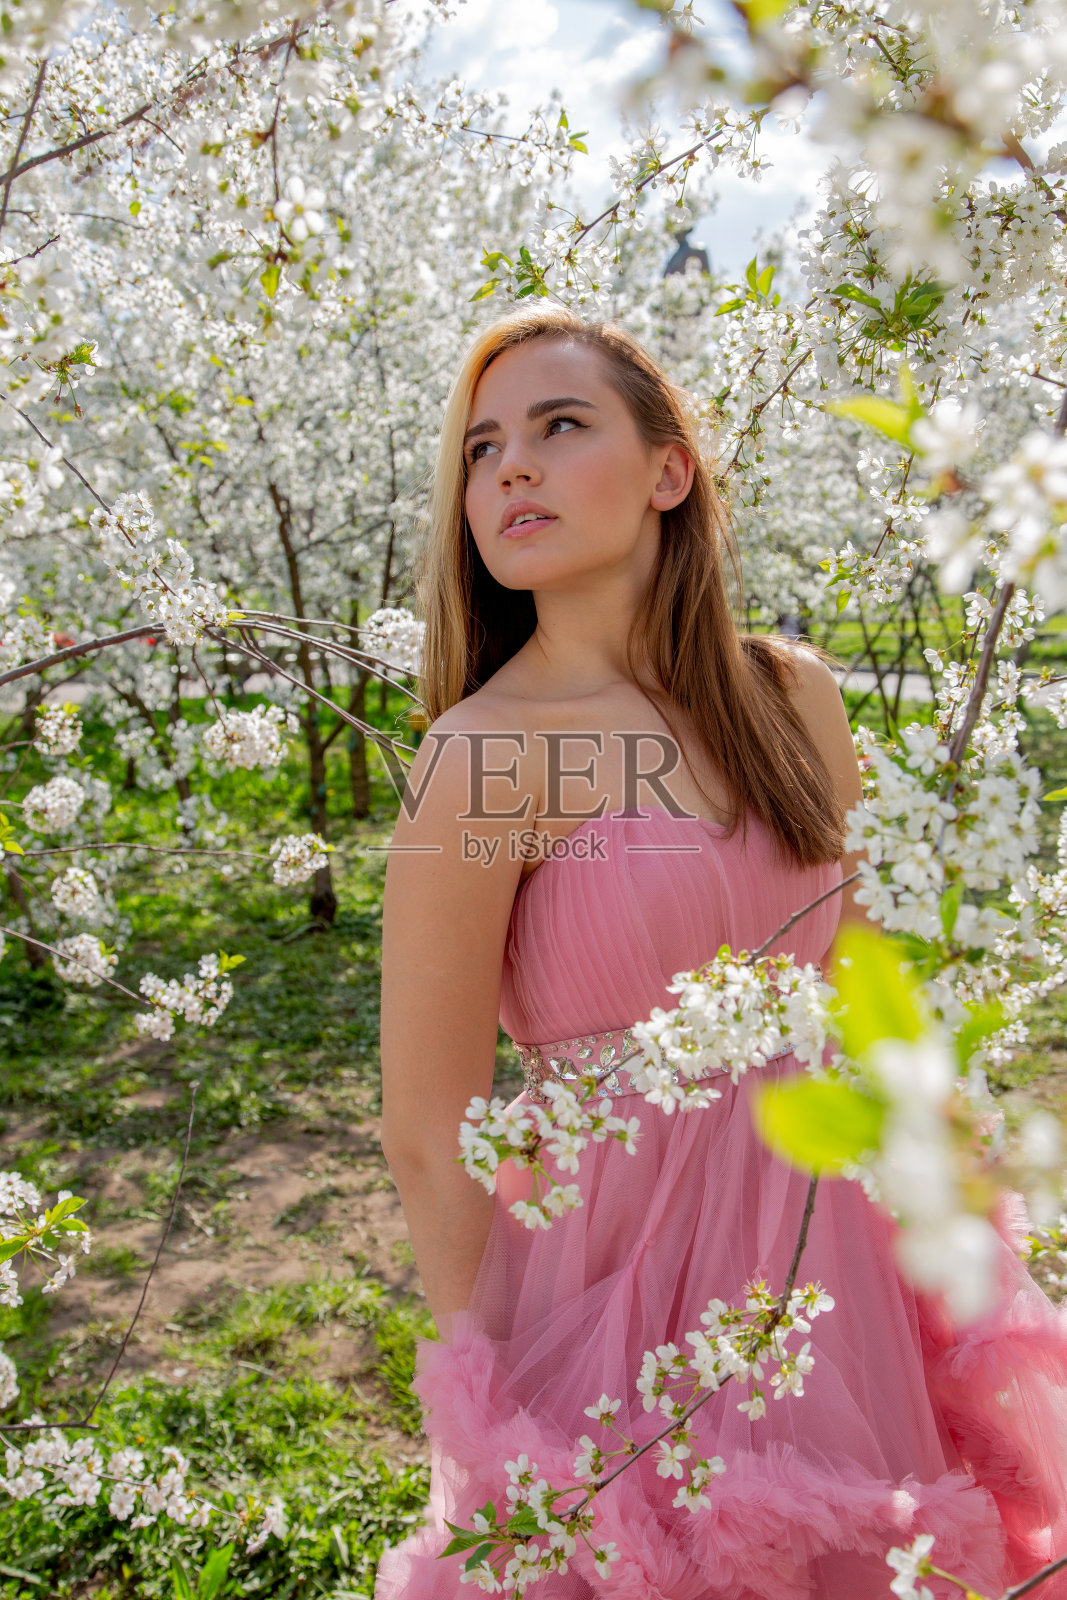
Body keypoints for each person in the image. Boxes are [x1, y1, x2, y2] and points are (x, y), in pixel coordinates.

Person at [374, 306, 1067, 1599]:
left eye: (557, 425)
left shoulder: (789, 692)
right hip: (618, 1293)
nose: (509, 466)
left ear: (667, 471)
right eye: (481, 448)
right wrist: (503, 1392)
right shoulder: (480, 758)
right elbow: (427, 1123)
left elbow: (869, 985)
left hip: (839, 1256)